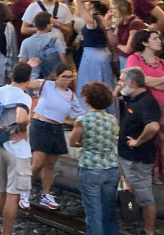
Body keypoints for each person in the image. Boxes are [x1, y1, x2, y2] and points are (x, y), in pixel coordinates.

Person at [24, 62, 85, 209]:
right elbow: (25, 83)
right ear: (56, 76)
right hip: (40, 124)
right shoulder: (45, 85)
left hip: (56, 128)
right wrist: (28, 67)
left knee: (50, 164)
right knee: (38, 163)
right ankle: (23, 192)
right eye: (65, 77)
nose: (68, 80)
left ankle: (46, 194)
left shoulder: (70, 95)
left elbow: (81, 114)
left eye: (71, 77)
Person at [0, 62, 33, 233]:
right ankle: (6, 232)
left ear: (12, 75)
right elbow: (21, 118)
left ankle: (4, 228)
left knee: (3, 192)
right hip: (16, 149)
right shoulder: (23, 97)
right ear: (29, 79)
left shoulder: (0, 91)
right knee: (13, 195)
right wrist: (23, 131)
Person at [69, 81, 119, 235]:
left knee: (93, 213)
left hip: (90, 168)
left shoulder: (83, 120)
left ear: (86, 99)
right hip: (111, 168)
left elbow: (72, 141)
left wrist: (82, 143)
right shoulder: (112, 119)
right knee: (109, 211)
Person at [116, 68, 159, 235]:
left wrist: (138, 141)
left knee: (145, 196)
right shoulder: (132, 97)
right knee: (127, 190)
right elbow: (115, 95)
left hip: (137, 160)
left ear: (132, 83)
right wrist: (120, 85)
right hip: (126, 157)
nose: (118, 83)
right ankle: (131, 218)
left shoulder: (147, 102)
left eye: (121, 80)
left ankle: (149, 230)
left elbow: (153, 126)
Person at [125, 29, 164, 185]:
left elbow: (146, 80)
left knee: (161, 139)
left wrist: (150, 81)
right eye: (155, 38)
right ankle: (150, 174)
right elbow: (138, 81)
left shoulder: (161, 62)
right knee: (151, 138)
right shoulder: (134, 59)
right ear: (144, 42)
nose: (159, 41)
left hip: (161, 105)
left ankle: (160, 174)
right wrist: (160, 80)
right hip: (143, 107)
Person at [74, 0, 116, 104]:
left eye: (88, 3)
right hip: (104, 54)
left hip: (92, 55)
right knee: (104, 82)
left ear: (92, 4)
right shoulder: (103, 18)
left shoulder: (92, 19)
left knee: (89, 82)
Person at [18, 11, 67, 80]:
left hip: (31, 80)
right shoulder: (55, 41)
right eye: (51, 23)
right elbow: (64, 62)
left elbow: (21, 63)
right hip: (50, 80)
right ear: (47, 26)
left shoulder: (26, 42)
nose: (52, 25)